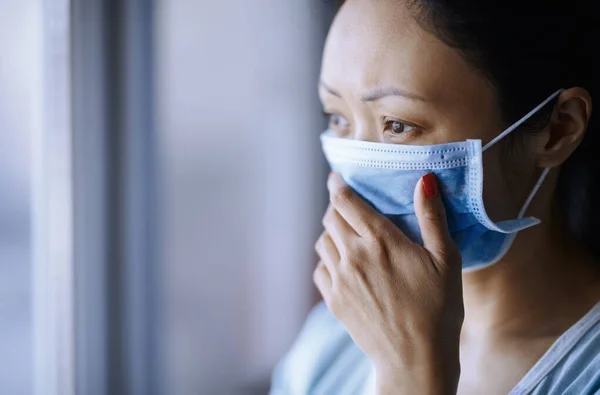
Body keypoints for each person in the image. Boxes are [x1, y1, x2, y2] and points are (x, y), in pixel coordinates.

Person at [270, 0, 600, 394]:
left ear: (557, 130)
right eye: (337, 117)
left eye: (397, 124)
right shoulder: (330, 341)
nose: (354, 168)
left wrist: (410, 374)